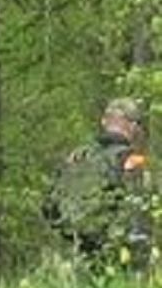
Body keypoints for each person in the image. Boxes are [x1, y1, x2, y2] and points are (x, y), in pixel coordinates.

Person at [42, 97, 151, 274]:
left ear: (104, 121)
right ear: (132, 126)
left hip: (74, 253)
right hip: (115, 255)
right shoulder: (132, 160)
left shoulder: (77, 157)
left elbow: (49, 206)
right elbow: (137, 215)